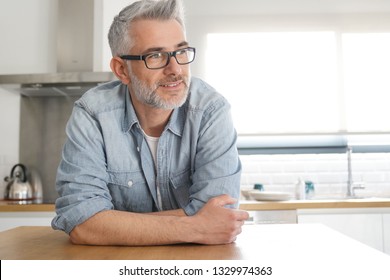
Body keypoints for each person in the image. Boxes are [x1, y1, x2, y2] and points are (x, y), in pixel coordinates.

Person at [51, 0, 248, 246]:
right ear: (122, 70)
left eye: (181, 51)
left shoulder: (210, 110)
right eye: (155, 56)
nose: (175, 69)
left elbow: (221, 217)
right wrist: (196, 227)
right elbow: (82, 222)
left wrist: (114, 225)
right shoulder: (92, 114)